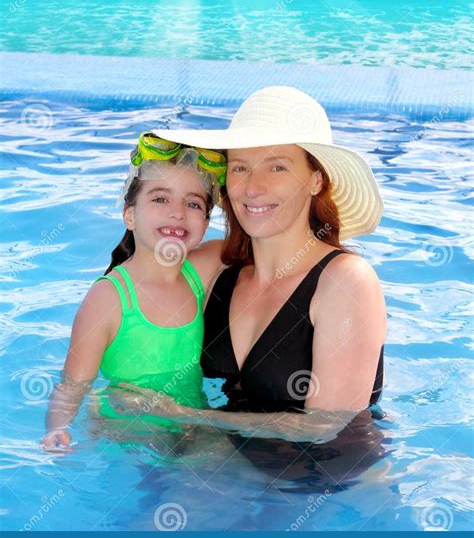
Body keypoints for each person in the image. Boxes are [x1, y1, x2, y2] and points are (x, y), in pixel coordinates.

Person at [120, 86, 387, 444]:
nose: (252, 187)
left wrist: (183, 415)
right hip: (222, 469)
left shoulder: (346, 281)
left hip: (320, 483)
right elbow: (124, 297)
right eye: (240, 167)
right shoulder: (216, 268)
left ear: (315, 179)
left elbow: (328, 429)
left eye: (276, 167)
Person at [41, 133, 226, 450]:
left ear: (206, 223)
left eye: (193, 203)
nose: (177, 212)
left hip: (190, 421)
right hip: (129, 432)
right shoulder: (109, 298)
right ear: (129, 215)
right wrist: (57, 429)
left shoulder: (202, 270)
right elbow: (74, 384)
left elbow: (257, 239)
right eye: (160, 199)